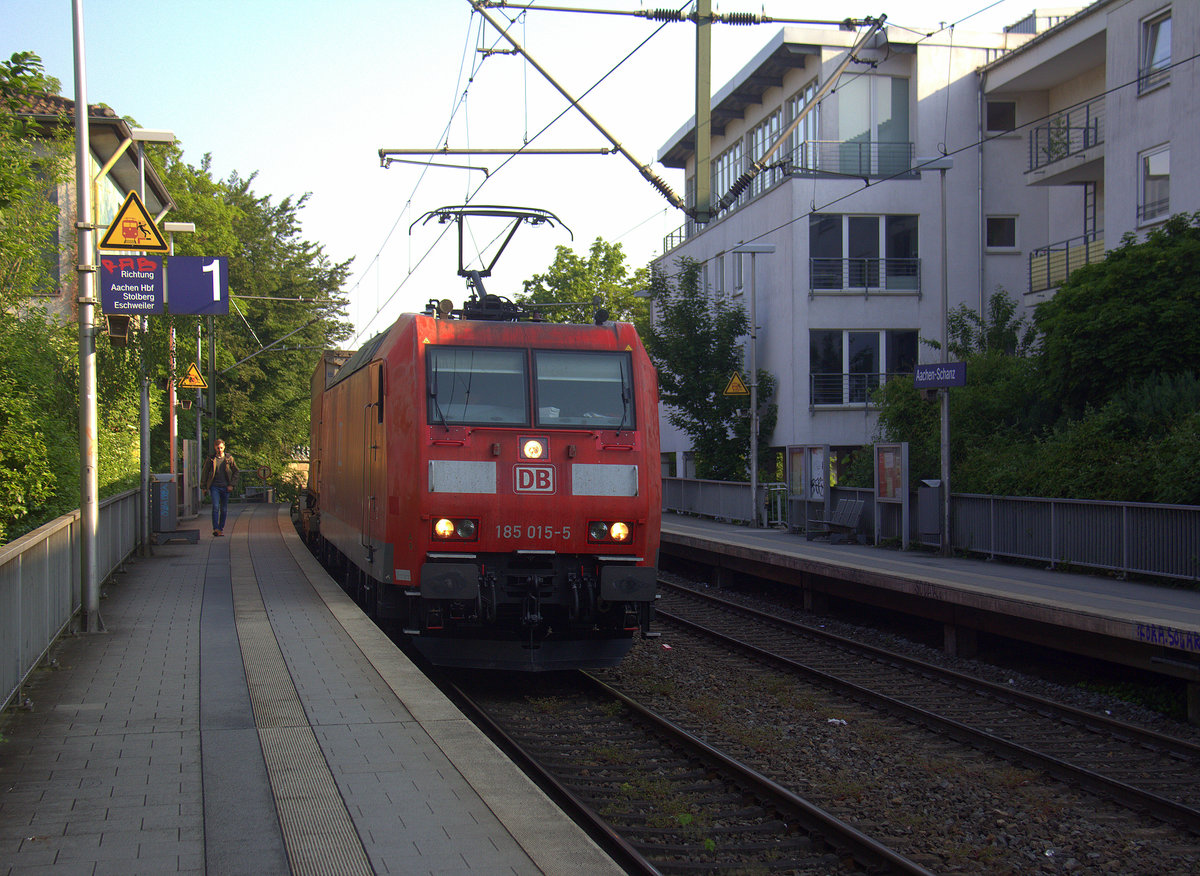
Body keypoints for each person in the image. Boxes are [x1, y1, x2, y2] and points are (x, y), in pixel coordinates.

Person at [202, 438, 239, 536]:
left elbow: (236, 471)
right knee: (215, 507)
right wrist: (204, 487)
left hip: (226, 487)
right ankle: (216, 528)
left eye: (221, 448)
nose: (220, 450)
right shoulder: (211, 459)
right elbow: (205, 472)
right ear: (215, 448)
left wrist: (231, 484)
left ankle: (220, 528)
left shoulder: (229, 458)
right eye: (218, 448)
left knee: (224, 509)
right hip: (215, 486)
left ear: (224, 447)